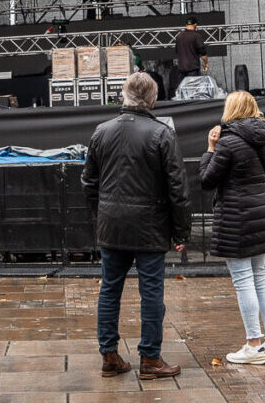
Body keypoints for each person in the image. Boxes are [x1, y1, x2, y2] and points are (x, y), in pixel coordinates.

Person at [82, 72, 191, 380]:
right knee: (152, 293)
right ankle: (150, 359)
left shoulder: (102, 131)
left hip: (112, 225)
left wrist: (102, 213)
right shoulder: (162, 134)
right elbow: (178, 188)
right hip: (150, 227)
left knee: (109, 290)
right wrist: (181, 230)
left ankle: (109, 356)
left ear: (124, 95)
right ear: (152, 100)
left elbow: (88, 182)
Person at [199, 91, 265, 365]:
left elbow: (207, 180)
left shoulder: (228, 142)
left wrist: (210, 149)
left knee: (243, 280)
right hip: (262, 211)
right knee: (259, 277)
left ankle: (253, 345)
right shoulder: (264, 138)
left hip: (237, 216)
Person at [174, 17, 208, 82]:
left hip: (181, 69)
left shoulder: (179, 36)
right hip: (192, 68)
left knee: (183, 87)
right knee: (192, 87)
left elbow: (177, 51)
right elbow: (202, 51)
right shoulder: (196, 36)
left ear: (186, 25)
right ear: (195, 24)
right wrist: (206, 63)